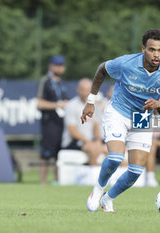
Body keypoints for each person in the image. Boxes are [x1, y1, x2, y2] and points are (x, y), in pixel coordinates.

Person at [81, 29, 160, 212]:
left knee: (135, 172)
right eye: (151, 49)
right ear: (143, 49)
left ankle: (107, 199)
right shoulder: (126, 63)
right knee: (116, 157)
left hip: (142, 117)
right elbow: (102, 69)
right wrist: (90, 101)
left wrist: (158, 104)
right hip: (118, 112)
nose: (156, 54)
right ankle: (98, 189)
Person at [37, 55, 69, 184]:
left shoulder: (63, 83)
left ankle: (58, 180)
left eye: (61, 65)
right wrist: (57, 105)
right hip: (49, 121)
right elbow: (39, 103)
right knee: (46, 153)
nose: (59, 68)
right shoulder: (45, 81)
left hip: (62, 122)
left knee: (58, 153)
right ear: (51, 66)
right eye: (57, 65)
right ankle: (43, 181)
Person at [61, 78, 108, 165]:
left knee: (111, 150)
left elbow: (96, 125)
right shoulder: (71, 105)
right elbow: (72, 130)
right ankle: (94, 176)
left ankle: (110, 177)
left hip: (90, 140)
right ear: (77, 89)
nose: (85, 92)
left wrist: (98, 140)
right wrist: (89, 141)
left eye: (88, 90)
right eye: (83, 89)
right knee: (93, 149)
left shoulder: (94, 105)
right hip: (74, 141)